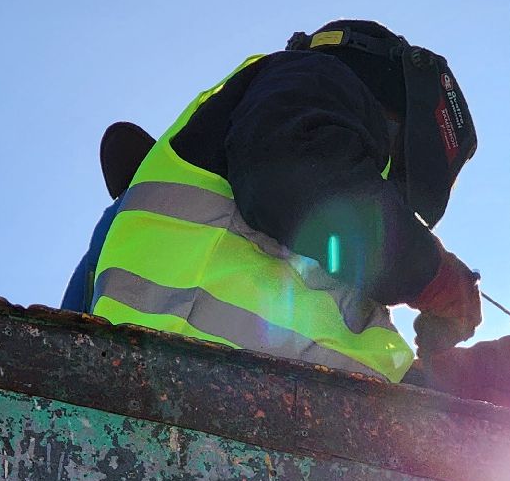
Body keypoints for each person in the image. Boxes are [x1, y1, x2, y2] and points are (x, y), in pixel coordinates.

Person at [62, 20, 484, 383]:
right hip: (209, 392)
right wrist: (432, 273)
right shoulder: (317, 77)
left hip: (275, 421)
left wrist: (430, 367)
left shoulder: (338, 261)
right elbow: (292, 179)